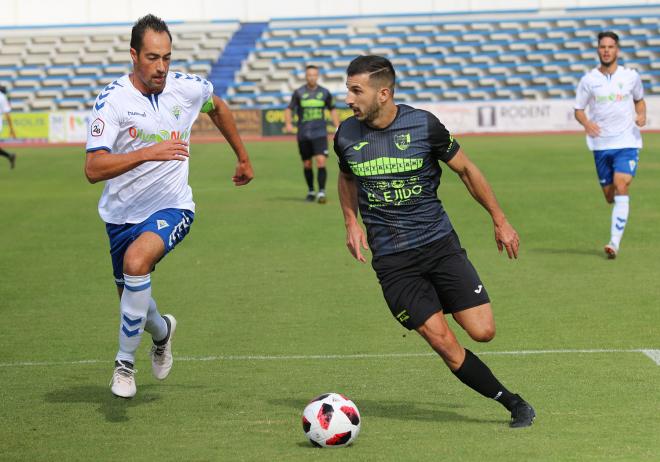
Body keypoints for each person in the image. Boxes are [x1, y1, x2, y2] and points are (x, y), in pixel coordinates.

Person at [334, 56, 535, 428]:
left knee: (482, 331)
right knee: (442, 340)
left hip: (439, 245)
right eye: (348, 89)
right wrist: (351, 222)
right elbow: (347, 178)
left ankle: (438, 298)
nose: (347, 97)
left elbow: (467, 170)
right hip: (394, 262)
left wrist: (500, 220)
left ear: (384, 93)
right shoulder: (346, 135)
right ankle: (513, 402)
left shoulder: (423, 125)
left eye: (355, 90)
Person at [85, 14, 254, 398]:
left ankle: (124, 365)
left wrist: (242, 158)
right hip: (120, 216)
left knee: (135, 264)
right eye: (152, 57)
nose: (161, 67)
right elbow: (93, 168)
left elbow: (219, 107)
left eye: (167, 57)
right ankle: (163, 333)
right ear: (133, 55)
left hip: (173, 207)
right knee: (138, 306)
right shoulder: (112, 100)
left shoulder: (186, 88)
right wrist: (150, 152)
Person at [574, 31, 646, 259]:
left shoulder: (631, 76)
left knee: (621, 185)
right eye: (603, 46)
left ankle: (614, 243)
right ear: (598, 50)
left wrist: (641, 115)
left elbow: (639, 100)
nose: (606, 50)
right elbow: (578, 110)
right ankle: (621, 208)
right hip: (601, 145)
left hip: (627, 142)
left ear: (617, 50)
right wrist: (586, 123)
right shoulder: (588, 80)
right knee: (610, 195)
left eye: (610, 46)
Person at [284, 65, 339, 203]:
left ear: (318, 76)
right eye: (309, 75)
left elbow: (332, 109)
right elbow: (289, 109)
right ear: (305, 76)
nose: (312, 77)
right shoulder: (299, 92)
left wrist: (337, 125)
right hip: (303, 134)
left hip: (320, 133)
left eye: (314, 75)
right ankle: (311, 191)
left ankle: (321, 192)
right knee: (307, 163)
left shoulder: (325, 92)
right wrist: (288, 123)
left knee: (321, 161)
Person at [0, 85, 17, 169]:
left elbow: (7, 114)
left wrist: (11, 129)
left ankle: (9, 156)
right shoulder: (3, 97)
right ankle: (10, 156)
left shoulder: (2, 97)